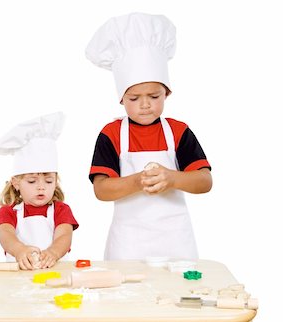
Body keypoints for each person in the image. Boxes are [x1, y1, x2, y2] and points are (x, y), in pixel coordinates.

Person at [85, 13, 212, 261]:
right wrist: (138, 181)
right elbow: (101, 190)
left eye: (154, 96)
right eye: (134, 98)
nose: (145, 105)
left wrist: (172, 178)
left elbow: (205, 181)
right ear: (121, 98)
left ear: (167, 93)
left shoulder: (178, 131)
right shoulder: (110, 134)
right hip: (129, 244)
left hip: (175, 242)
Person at [0, 112, 79, 270]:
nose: (41, 186)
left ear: (56, 182)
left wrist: (54, 253)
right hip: (17, 278)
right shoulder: (8, 212)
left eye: (48, 181)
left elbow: (64, 235)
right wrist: (19, 250)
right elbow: (6, 234)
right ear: (16, 182)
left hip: (55, 273)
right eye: (32, 181)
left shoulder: (61, 210)